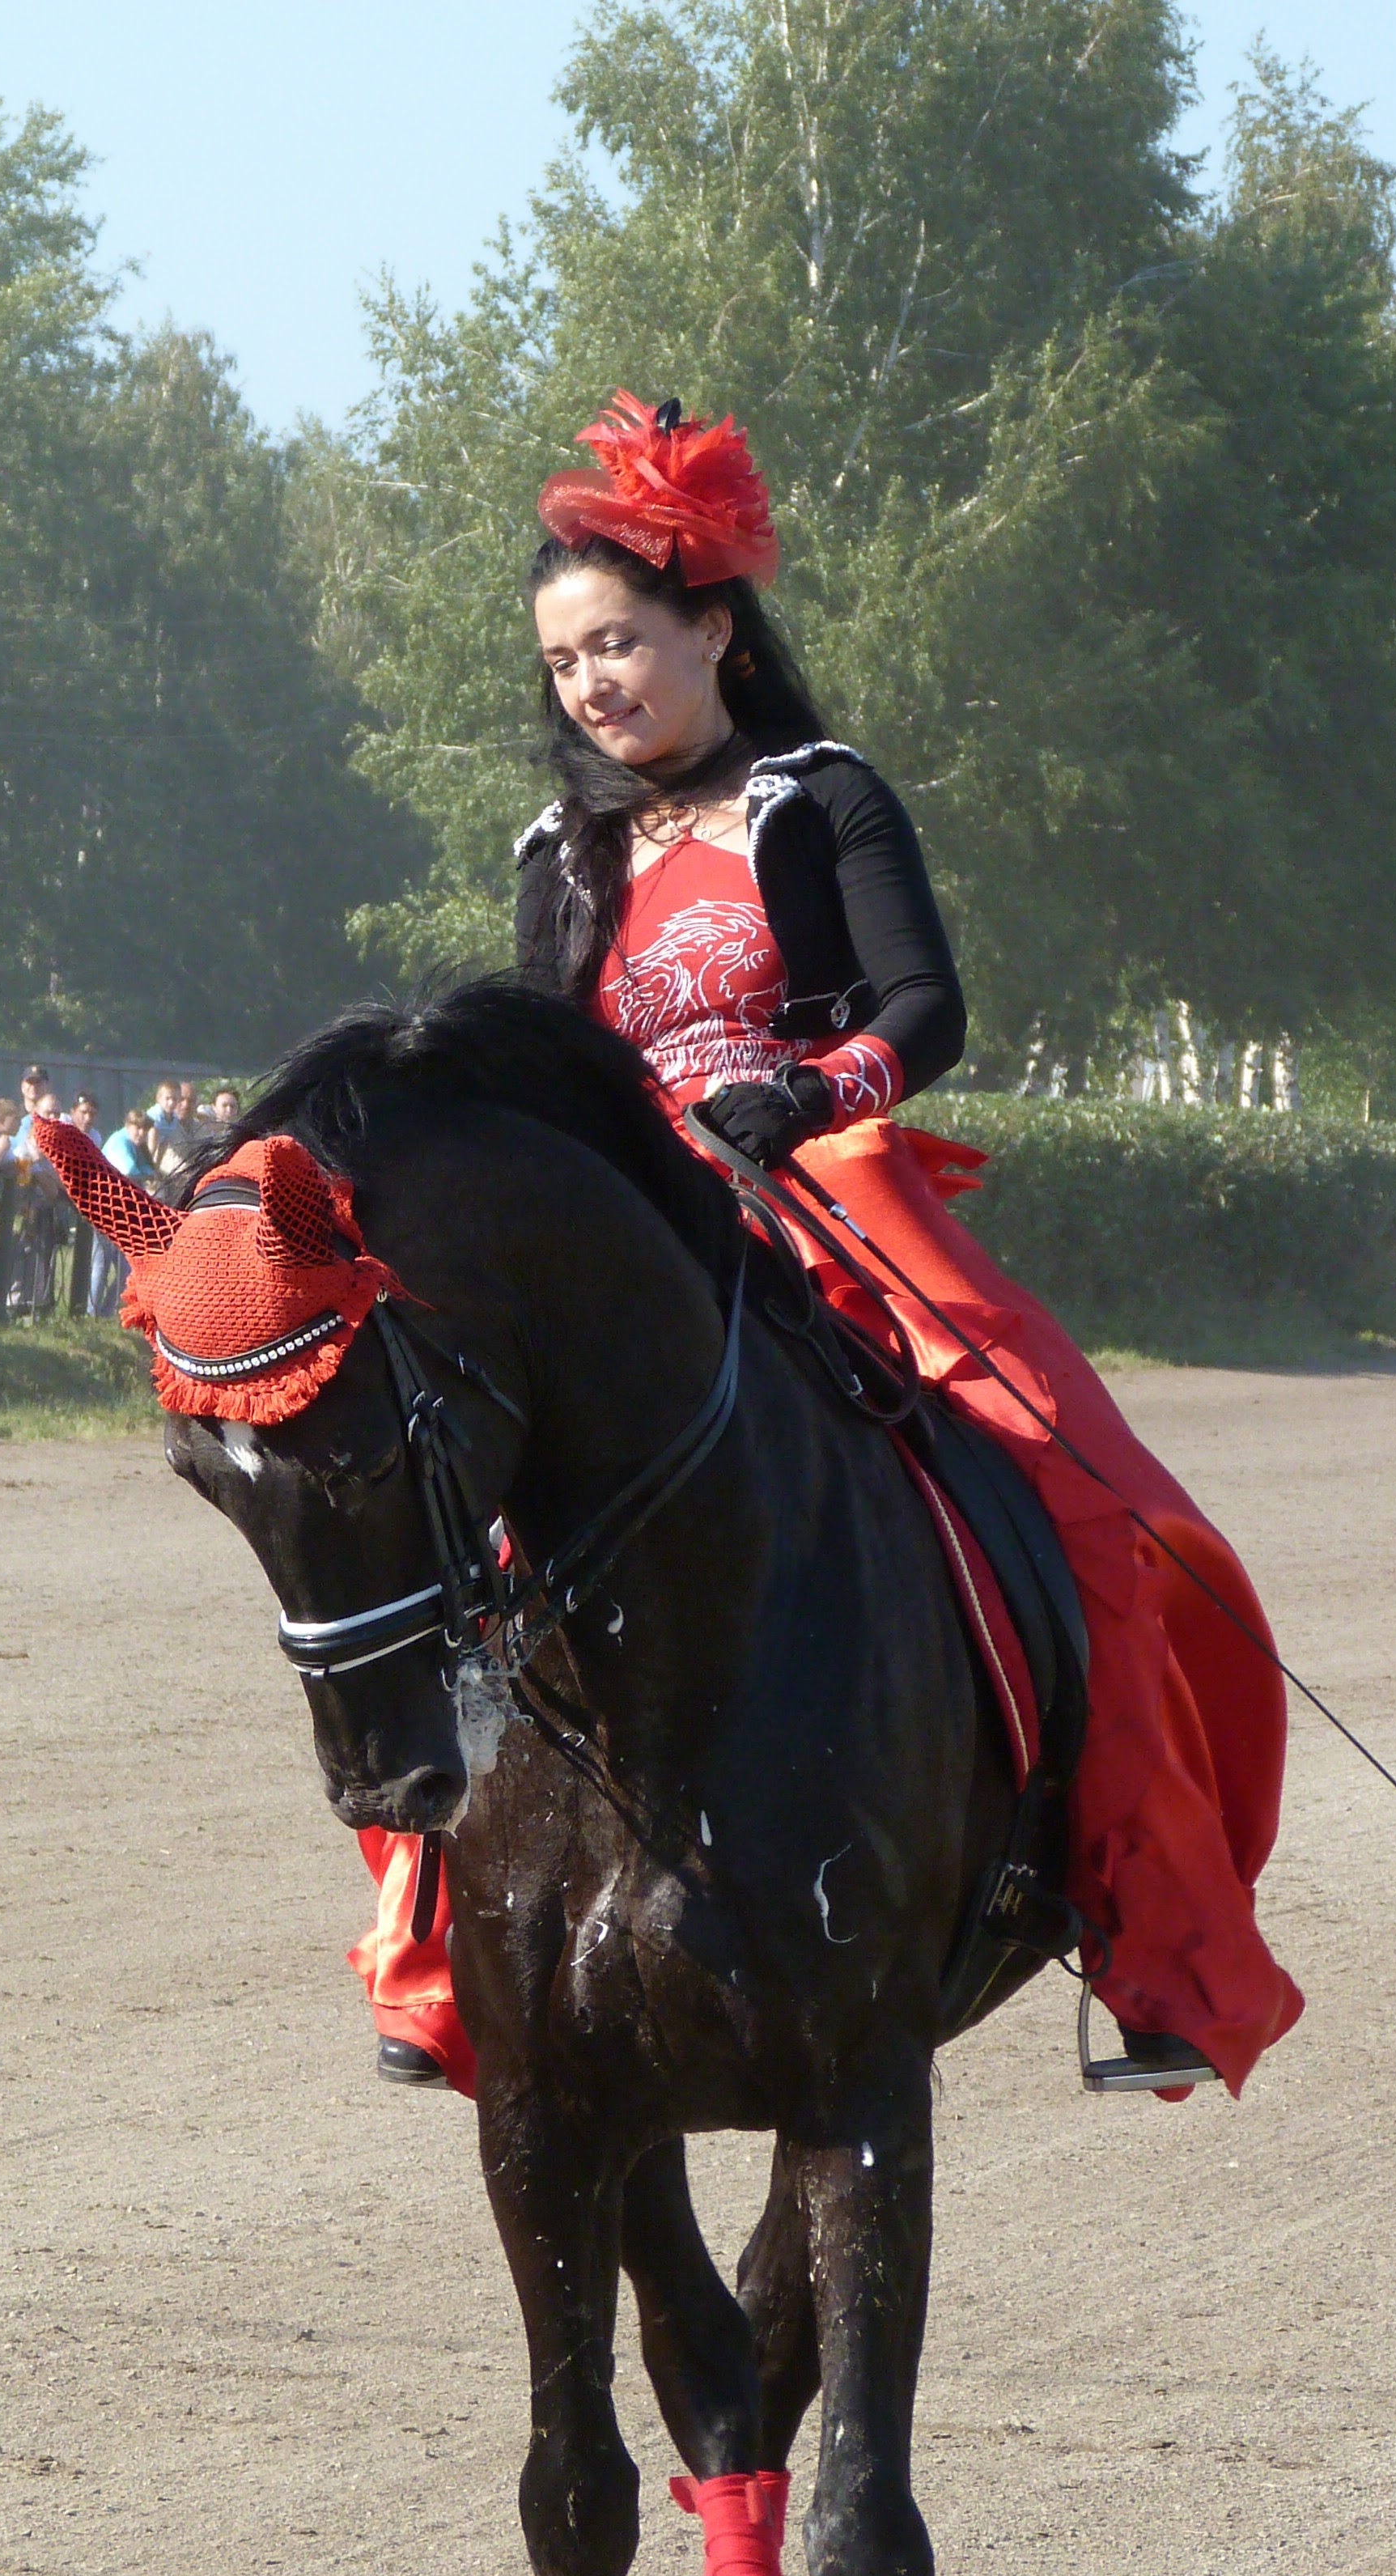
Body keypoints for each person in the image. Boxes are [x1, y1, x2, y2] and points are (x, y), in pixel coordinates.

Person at [346, 390, 1302, 2106]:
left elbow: (928, 1005)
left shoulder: (821, 795)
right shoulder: (556, 851)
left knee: (1076, 1500)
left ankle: (1149, 1933)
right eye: (564, 664)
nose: (592, 687)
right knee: (436, 1530)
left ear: (712, 631)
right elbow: (543, 1068)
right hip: (629, 1229)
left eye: (618, 644)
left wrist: (810, 1088)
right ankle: (437, 1955)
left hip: (825, 1192)